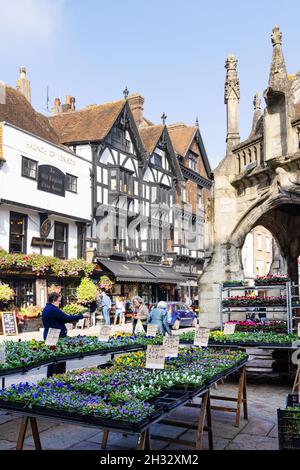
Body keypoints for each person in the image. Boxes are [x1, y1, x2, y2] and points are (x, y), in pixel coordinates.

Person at [42, 292, 89, 377]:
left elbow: (62, 319)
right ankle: (59, 378)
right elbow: (66, 318)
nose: (60, 303)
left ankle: (51, 378)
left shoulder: (47, 308)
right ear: (53, 300)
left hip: (50, 335)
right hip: (56, 336)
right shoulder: (53, 309)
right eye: (59, 301)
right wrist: (82, 316)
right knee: (59, 359)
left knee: (52, 360)